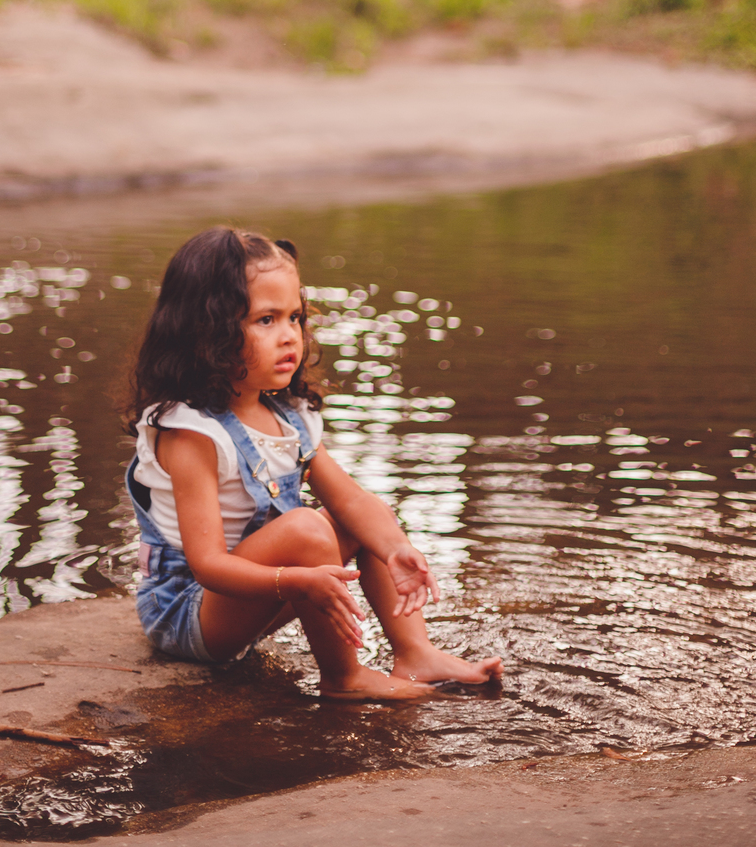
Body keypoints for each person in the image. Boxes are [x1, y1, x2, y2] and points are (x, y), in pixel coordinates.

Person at [121, 225, 503, 700]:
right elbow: (208, 566)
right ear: (208, 331)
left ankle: (415, 651)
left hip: (259, 593)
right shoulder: (191, 433)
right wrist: (296, 581)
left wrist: (395, 549)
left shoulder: (288, 416)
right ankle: (345, 678)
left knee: (368, 515)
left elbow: (350, 500)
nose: (289, 337)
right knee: (305, 528)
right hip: (191, 614)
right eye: (265, 320)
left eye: (294, 317)